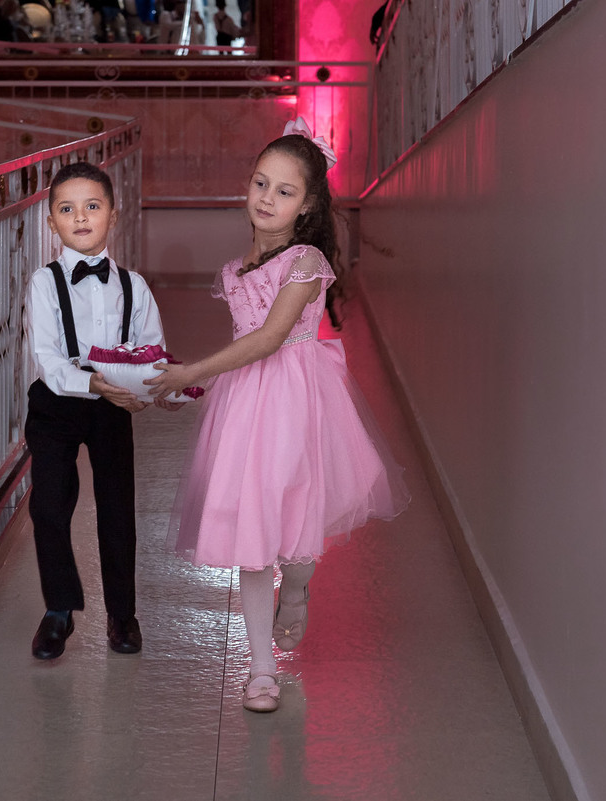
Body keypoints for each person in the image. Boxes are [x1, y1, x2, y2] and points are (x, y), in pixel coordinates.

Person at [145, 118, 411, 712]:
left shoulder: (306, 261)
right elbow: (244, 342)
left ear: (308, 204)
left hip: (295, 399)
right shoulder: (241, 263)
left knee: (294, 528)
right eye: (260, 183)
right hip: (246, 406)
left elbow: (268, 338)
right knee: (254, 529)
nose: (266, 198)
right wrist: (196, 384)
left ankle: (298, 593)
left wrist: (194, 371)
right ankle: (261, 666)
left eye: (283, 191)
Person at [23, 162, 170, 660]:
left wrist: (149, 391)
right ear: (51, 222)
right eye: (67, 209)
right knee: (49, 505)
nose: (80, 217)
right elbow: (46, 358)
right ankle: (59, 610)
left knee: (117, 507)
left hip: (111, 410)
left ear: (113, 214)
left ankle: (122, 614)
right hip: (56, 405)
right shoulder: (43, 285)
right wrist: (96, 383)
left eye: (92, 206)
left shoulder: (135, 286)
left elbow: (152, 352)